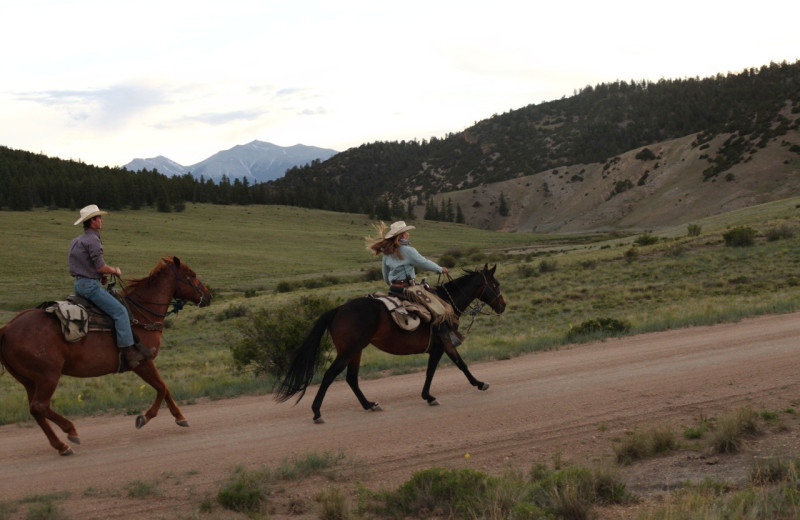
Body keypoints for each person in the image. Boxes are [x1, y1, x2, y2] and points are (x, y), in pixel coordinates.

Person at [68, 204, 146, 368]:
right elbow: (100, 266)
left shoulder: (77, 240)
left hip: (79, 284)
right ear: (92, 221)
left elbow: (83, 265)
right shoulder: (93, 240)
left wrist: (99, 277)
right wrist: (114, 271)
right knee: (120, 311)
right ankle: (128, 353)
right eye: (98, 218)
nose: (101, 221)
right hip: (90, 286)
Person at [367, 220, 463, 347]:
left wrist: (392, 285)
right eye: (406, 232)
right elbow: (423, 262)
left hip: (394, 289)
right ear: (402, 235)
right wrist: (440, 269)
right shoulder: (407, 250)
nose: (408, 234)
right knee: (437, 308)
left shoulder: (386, 252)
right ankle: (446, 339)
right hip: (407, 289)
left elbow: (385, 276)